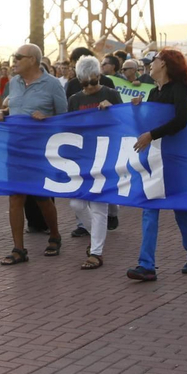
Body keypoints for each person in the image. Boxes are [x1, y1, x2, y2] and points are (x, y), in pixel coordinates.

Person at [126, 49, 187, 281]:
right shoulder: (153, 92)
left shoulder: (177, 90)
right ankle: (146, 264)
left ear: (164, 64)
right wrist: (137, 109)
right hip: (157, 158)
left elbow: (182, 119)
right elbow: (145, 127)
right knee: (150, 208)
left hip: (175, 158)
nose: (150, 65)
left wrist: (152, 134)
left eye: (154, 60)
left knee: (180, 207)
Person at [0, 43, 67, 264]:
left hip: (40, 149)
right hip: (15, 147)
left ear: (33, 60)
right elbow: (15, 109)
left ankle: (54, 235)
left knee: (42, 196)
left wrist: (47, 120)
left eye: (18, 57)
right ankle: (18, 249)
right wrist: (2, 112)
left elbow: (65, 119)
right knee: (15, 197)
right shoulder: (14, 83)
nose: (14, 60)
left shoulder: (53, 85)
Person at [64, 55, 122, 254]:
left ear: (98, 76)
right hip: (83, 157)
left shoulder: (111, 94)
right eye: (84, 83)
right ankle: (96, 234)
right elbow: (69, 128)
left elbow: (124, 124)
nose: (88, 87)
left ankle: (96, 251)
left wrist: (113, 110)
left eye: (92, 81)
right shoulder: (74, 99)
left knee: (99, 206)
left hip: (105, 156)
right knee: (77, 204)